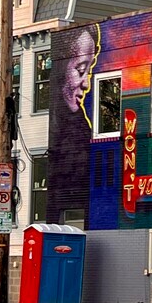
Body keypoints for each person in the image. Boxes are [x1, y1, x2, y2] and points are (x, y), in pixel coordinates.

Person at [47, 23, 100, 225]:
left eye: (89, 69)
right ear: (60, 68)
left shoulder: (83, 132)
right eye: (80, 69)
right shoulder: (60, 135)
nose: (86, 83)